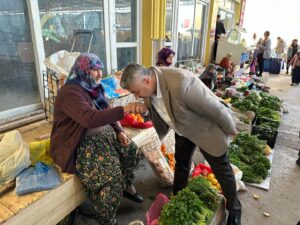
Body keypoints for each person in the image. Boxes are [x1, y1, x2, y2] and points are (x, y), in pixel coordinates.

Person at [120, 63, 242, 225]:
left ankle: (234, 209)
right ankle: (178, 197)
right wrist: (145, 111)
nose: (136, 96)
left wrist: (230, 128)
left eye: (135, 92)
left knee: (222, 171)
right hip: (182, 128)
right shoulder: (148, 88)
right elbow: (157, 110)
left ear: (147, 81)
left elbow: (215, 108)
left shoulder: (182, 82)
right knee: (181, 165)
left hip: (205, 129)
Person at [49, 53, 144, 225]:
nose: (100, 74)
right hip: (79, 144)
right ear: (83, 70)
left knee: (132, 150)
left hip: (101, 135)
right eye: (94, 70)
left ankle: (126, 187)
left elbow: (104, 109)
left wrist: (119, 130)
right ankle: (106, 218)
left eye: (100, 69)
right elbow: (89, 118)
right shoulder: (70, 92)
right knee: (111, 178)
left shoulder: (92, 87)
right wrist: (126, 109)